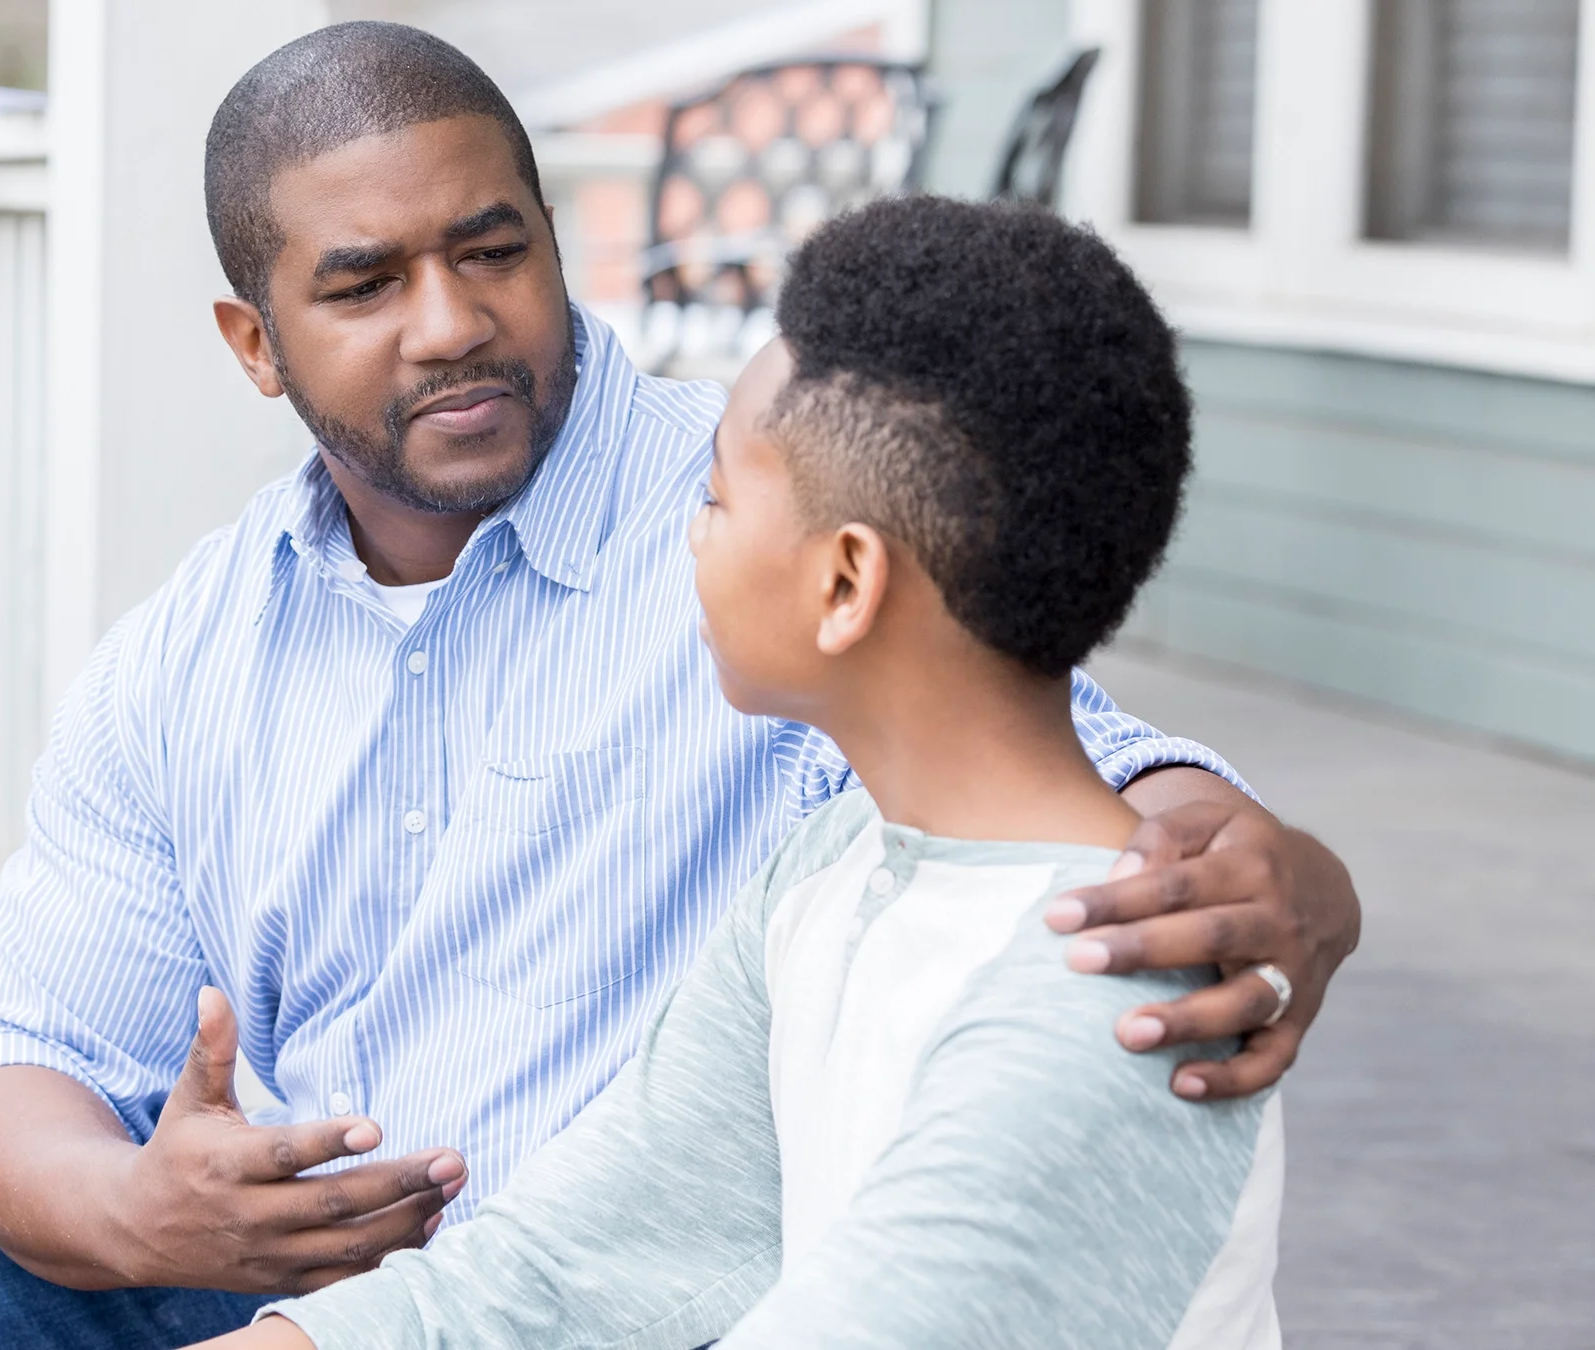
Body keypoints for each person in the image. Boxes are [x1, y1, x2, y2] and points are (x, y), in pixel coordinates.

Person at [0, 23, 1358, 1349]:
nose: (452, 324)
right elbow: (18, 1035)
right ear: (254, 338)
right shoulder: (189, 653)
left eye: (492, 250)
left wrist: (1249, 864)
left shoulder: (769, 519)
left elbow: (1033, 744)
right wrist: (141, 1211)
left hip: (648, 1295)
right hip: (366, 1281)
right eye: (365, 283)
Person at [197, 195, 1283, 1350]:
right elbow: (559, 1265)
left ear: (843, 584)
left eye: (713, 496)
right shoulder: (830, 869)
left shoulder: (1104, 995)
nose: (689, 538)